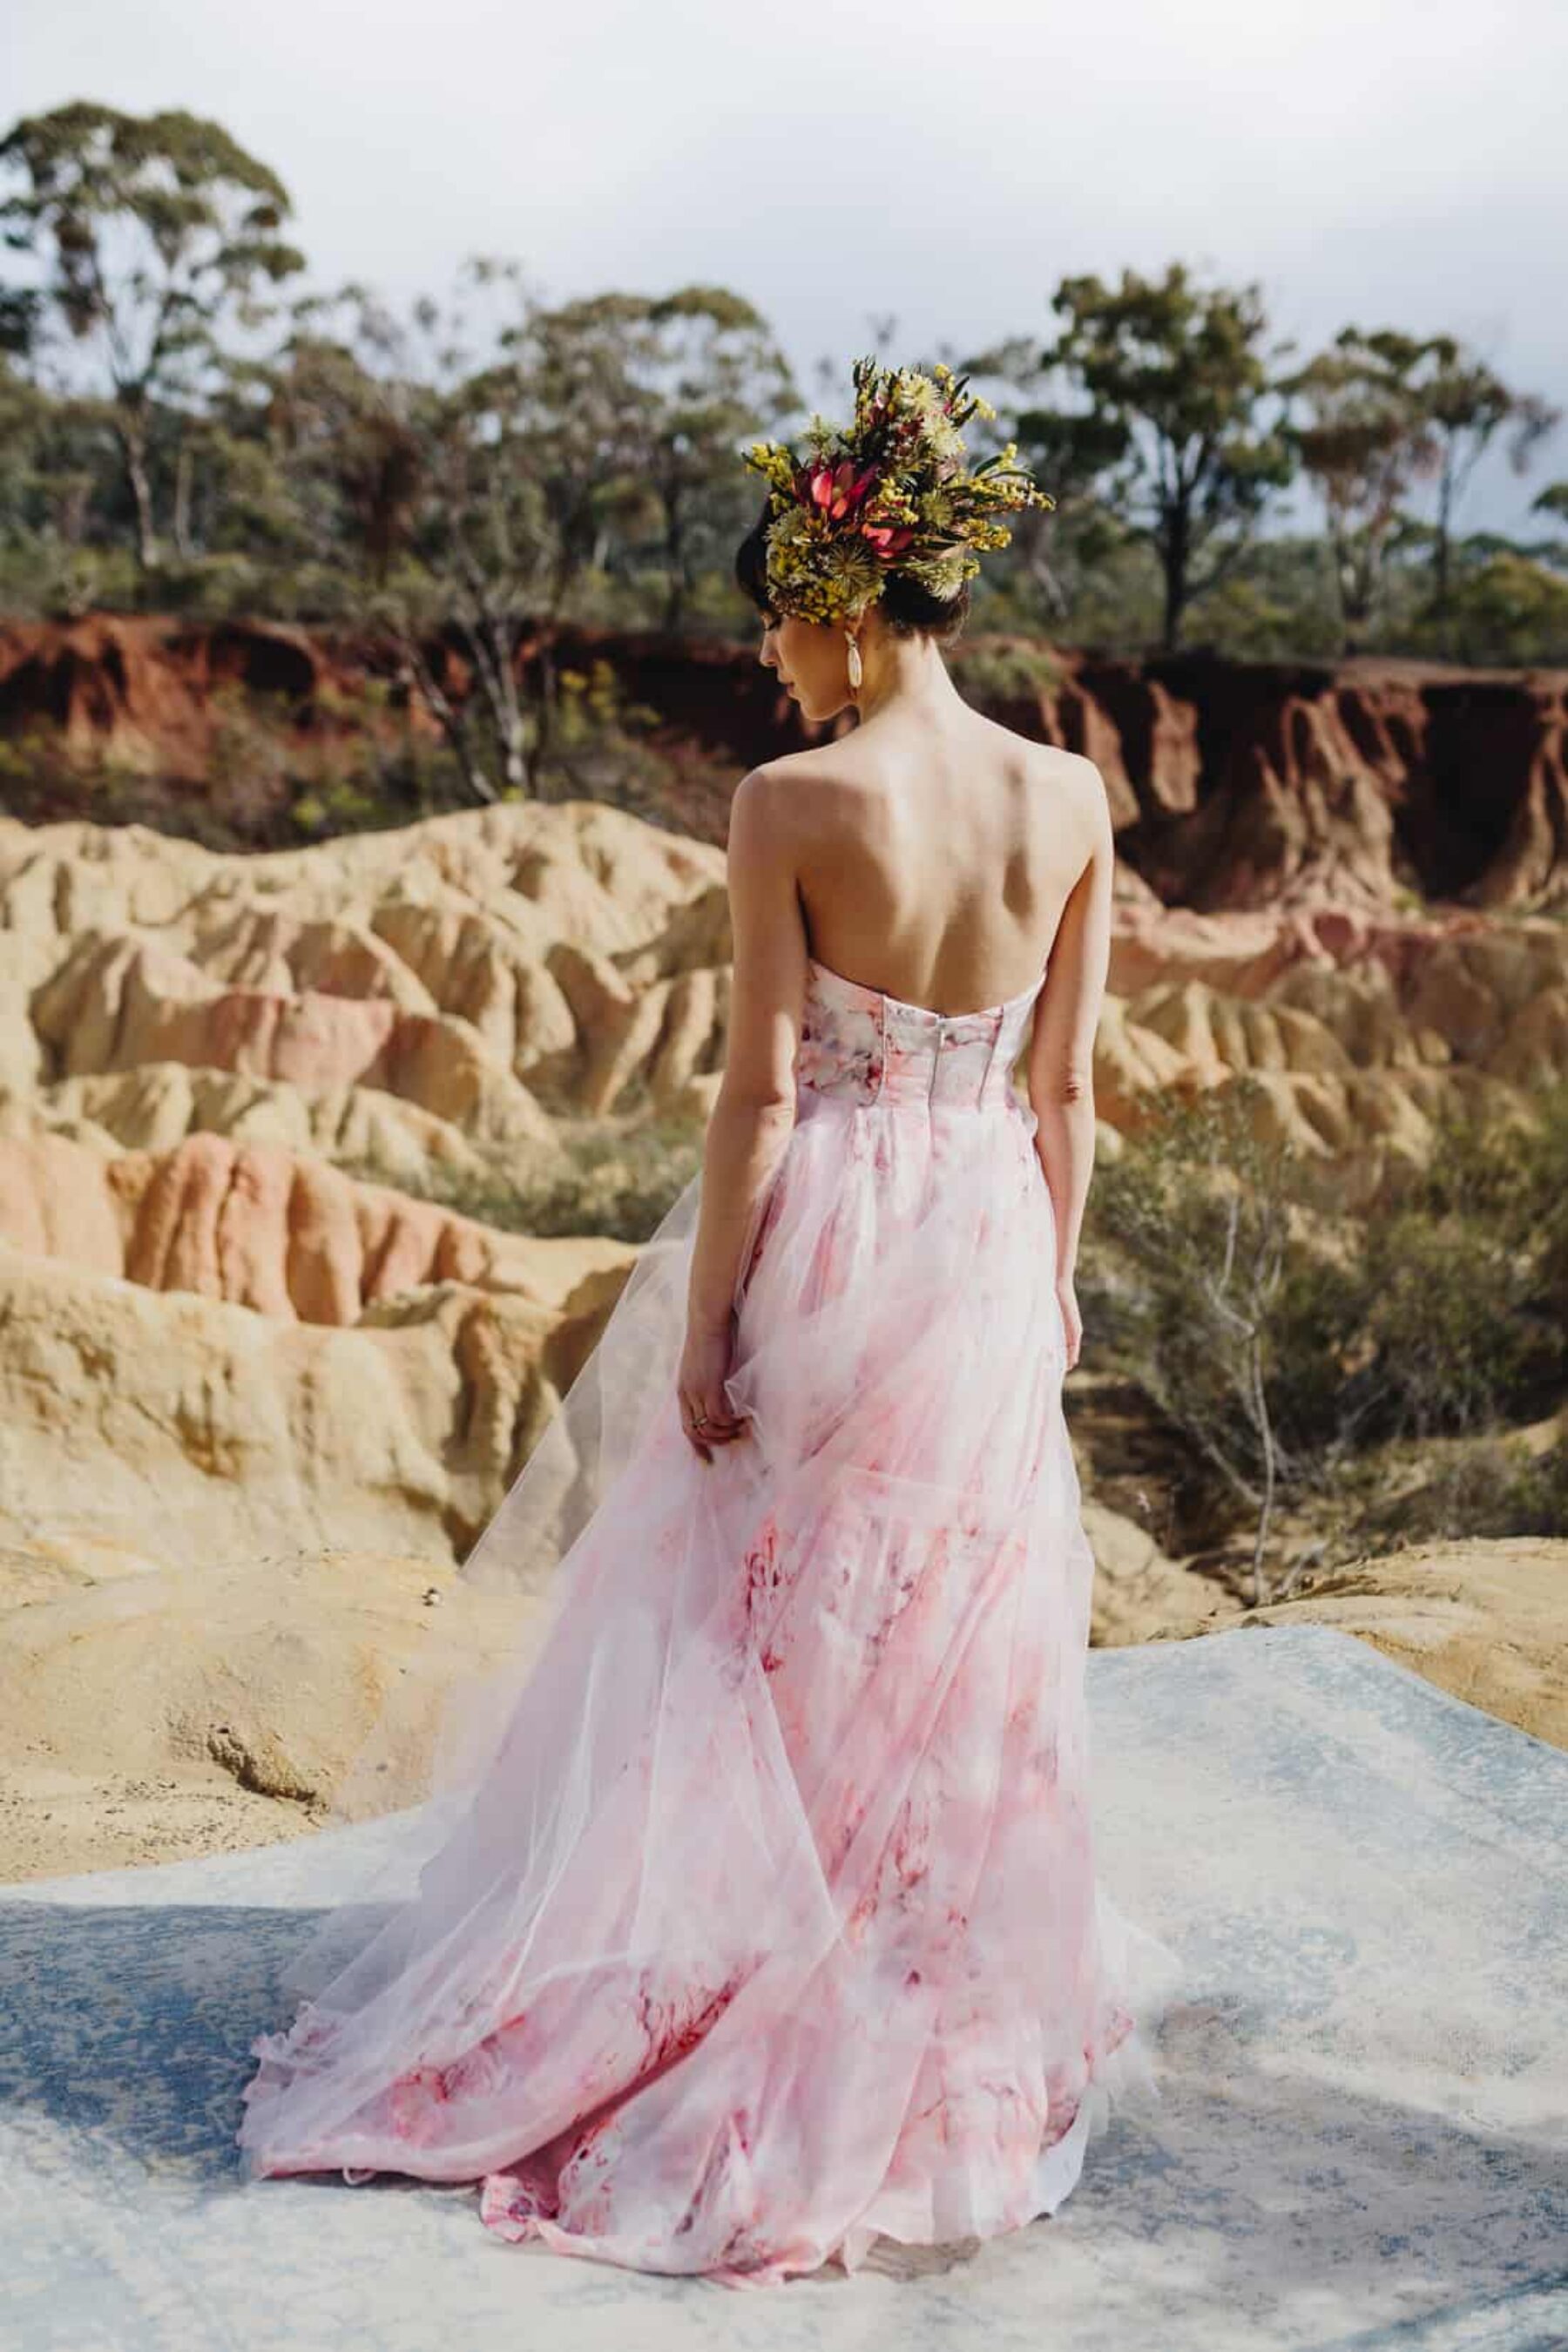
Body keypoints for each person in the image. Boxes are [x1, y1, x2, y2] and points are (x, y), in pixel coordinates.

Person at [235, 355, 1178, 2288]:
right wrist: (1055, 1277)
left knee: (764, 1629)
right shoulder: (1071, 795)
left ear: (843, 594)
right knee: (948, 1625)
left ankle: (748, 1988)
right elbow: (1067, 1093)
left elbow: (754, 1098)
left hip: (838, 1225)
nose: (767, 656)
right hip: (990, 1229)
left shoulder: (791, 803)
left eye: (773, 614)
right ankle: (907, 1994)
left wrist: (703, 1324)